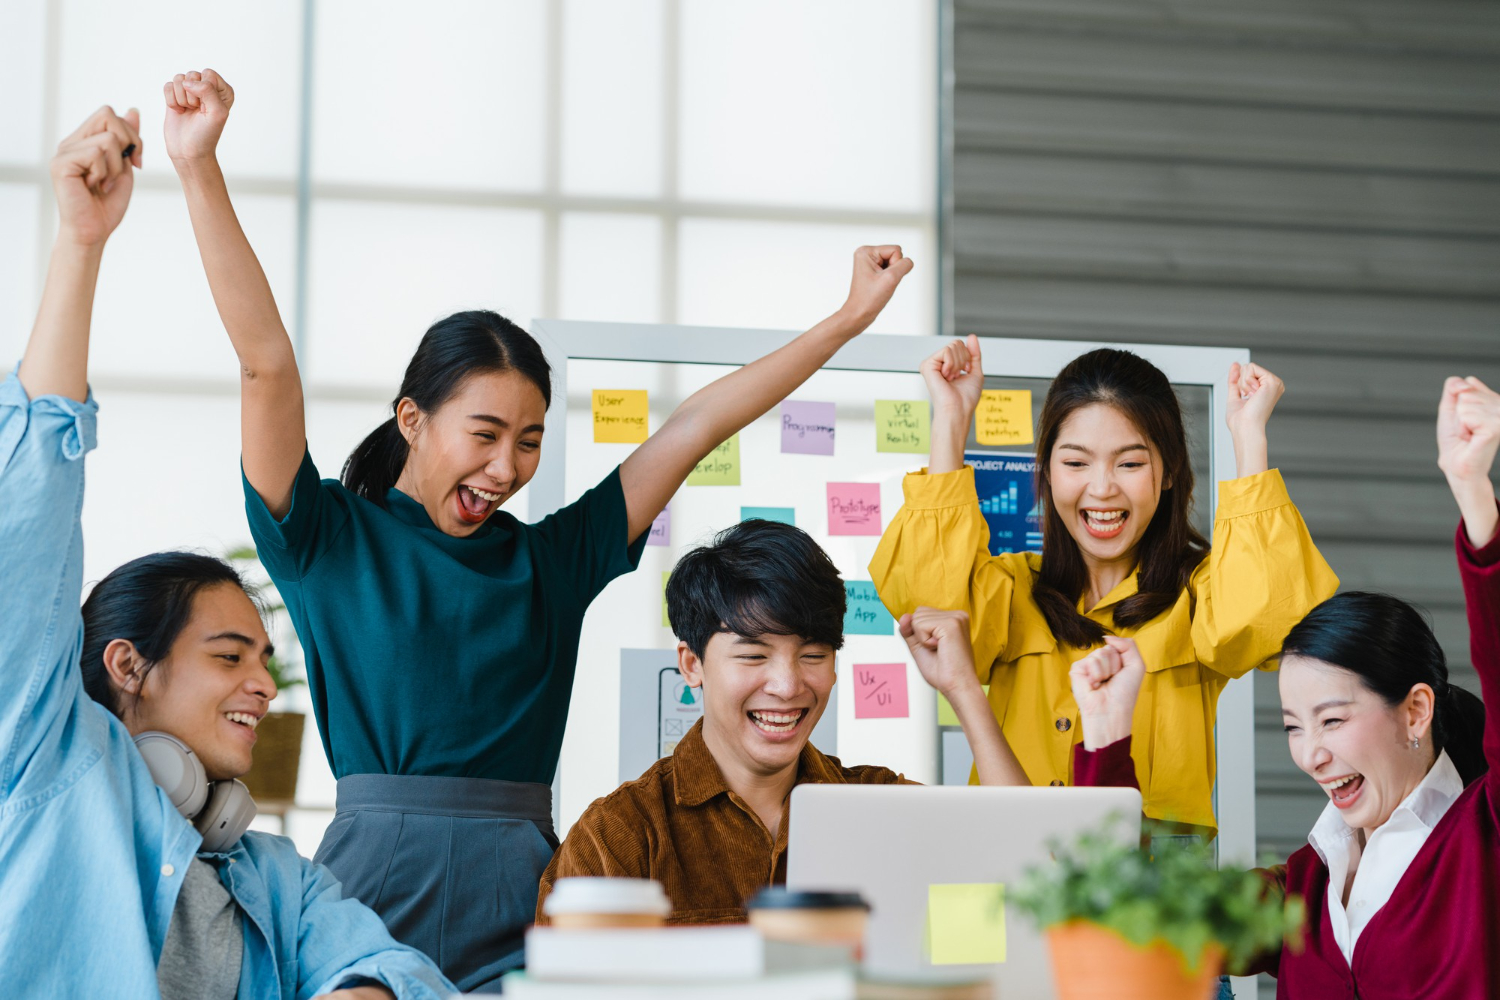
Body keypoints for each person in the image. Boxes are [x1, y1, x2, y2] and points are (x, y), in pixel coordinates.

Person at [163, 68, 915, 989]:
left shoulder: (552, 560)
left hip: (526, 893)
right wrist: (198, 165)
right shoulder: (328, 538)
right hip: (367, 887)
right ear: (413, 421)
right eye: (484, 436)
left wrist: (844, 322)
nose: (508, 470)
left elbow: (694, 426)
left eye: (528, 443)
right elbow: (265, 367)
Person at [0, 104, 453, 1000]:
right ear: (128, 664)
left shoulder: (272, 878)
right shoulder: (41, 755)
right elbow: (31, 517)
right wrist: (80, 246)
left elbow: (400, 968)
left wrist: (367, 988)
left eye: (263, 658)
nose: (262, 683)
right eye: (229, 654)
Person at [1069, 377, 1499, 998]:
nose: (1309, 753)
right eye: (1294, 727)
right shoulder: (1307, 884)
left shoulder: (1482, 839)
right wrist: (1108, 739)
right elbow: (1146, 921)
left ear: (1415, 711)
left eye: (1331, 720)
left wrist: (1475, 498)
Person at [870, 338, 1339, 838]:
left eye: (1130, 463)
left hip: (1149, 897)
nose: (1101, 488)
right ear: (1047, 472)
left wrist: (1249, 439)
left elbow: (1271, 620)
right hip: (1009, 882)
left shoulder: (1200, 594)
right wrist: (950, 419)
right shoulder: (1009, 590)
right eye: (1075, 463)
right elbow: (927, 604)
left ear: (1168, 473)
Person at [535, 519, 1029, 924]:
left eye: (813, 654)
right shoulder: (620, 836)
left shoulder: (881, 806)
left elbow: (1030, 875)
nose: (788, 685)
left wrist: (963, 690)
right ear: (692, 664)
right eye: (753, 655)